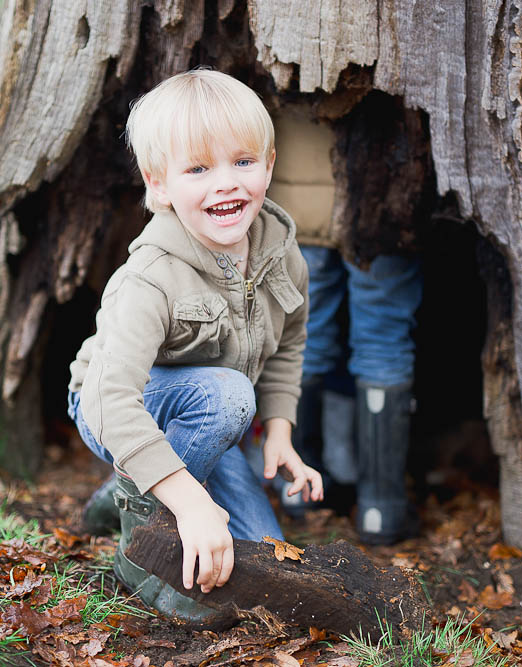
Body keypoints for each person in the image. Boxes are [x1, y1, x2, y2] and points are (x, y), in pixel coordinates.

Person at [67, 69, 323, 620]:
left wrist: (279, 432)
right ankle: (144, 548)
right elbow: (110, 400)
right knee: (228, 396)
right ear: (158, 184)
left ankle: (128, 490)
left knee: (266, 558)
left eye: (242, 162)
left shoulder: (281, 251)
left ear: (270, 162)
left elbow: (290, 342)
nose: (225, 183)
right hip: (111, 406)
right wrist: (190, 507)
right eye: (199, 168)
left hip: (214, 414)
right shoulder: (149, 278)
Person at [266, 106, 423, 545]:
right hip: (383, 190)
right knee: (384, 340)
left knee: (306, 336)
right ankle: (381, 507)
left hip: (298, 198)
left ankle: (298, 490)